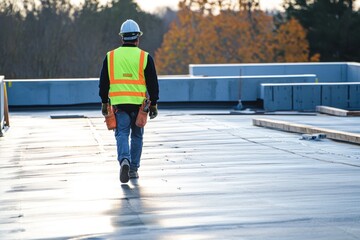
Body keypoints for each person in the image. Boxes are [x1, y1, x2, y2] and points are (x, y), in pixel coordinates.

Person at [99, 19, 159, 183]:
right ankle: (133, 169)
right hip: (139, 105)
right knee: (137, 136)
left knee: (122, 134)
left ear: (122, 38)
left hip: (120, 105)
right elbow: (153, 83)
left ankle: (124, 160)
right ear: (137, 38)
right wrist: (153, 104)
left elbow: (104, 82)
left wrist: (104, 102)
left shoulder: (110, 57)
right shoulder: (144, 57)